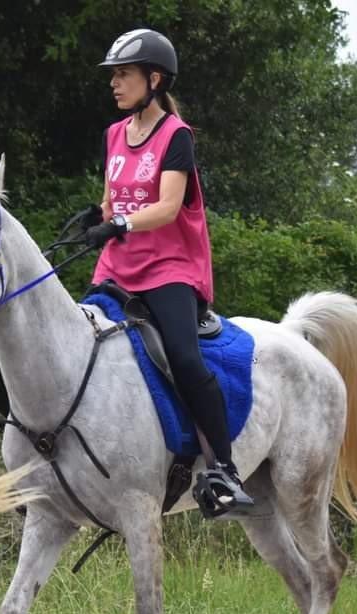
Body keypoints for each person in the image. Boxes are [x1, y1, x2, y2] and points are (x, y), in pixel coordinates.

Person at [82, 28, 254, 515]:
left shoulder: (176, 135)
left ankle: (224, 471)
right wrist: (99, 216)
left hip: (168, 267)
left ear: (154, 79)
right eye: (113, 76)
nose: (114, 83)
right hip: (117, 264)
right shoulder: (113, 134)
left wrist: (120, 222)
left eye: (124, 75)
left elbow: (167, 207)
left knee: (184, 358)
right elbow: (113, 199)